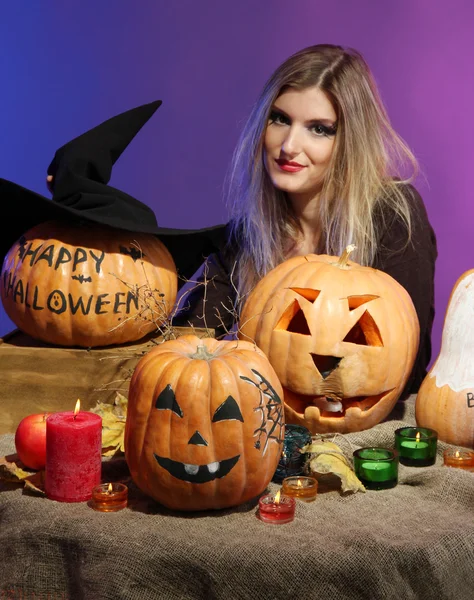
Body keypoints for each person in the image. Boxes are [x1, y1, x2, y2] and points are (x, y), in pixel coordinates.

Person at [171, 43, 437, 394]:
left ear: (349, 141)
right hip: (263, 423)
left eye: (319, 129)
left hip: (361, 426)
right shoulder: (248, 235)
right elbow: (188, 347)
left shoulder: (393, 214)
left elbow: (407, 367)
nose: (289, 146)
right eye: (280, 119)